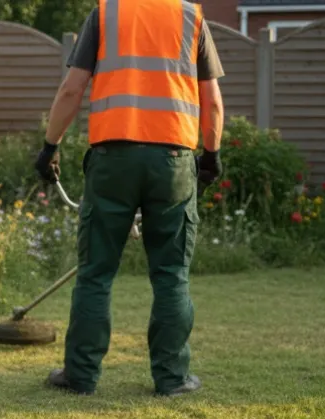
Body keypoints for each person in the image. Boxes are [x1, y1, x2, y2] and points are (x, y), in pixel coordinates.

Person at [35, 0, 225, 397]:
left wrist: (50, 146)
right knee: (171, 275)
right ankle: (172, 379)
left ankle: (81, 376)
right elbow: (212, 101)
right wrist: (211, 154)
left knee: (95, 273)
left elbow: (72, 89)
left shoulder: (106, 13)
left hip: (112, 160)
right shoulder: (191, 17)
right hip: (172, 161)